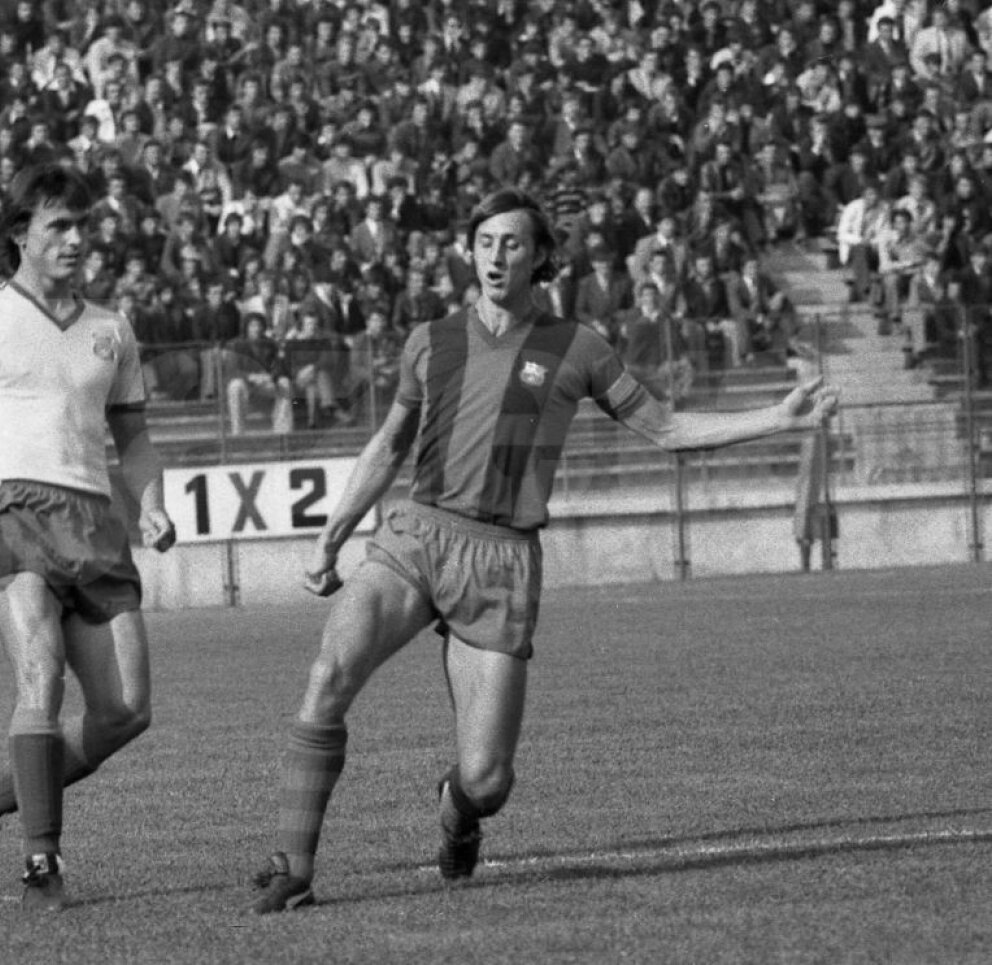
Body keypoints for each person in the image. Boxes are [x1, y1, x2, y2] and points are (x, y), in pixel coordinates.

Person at [247, 188, 838, 914]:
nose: (497, 256)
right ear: (470, 252)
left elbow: (666, 427)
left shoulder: (578, 347)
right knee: (328, 671)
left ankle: (457, 809)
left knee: (489, 778)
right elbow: (388, 445)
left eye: (513, 244)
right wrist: (334, 533)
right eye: (486, 242)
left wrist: (775, 419)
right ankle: (291, 866)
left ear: (539, 258)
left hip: (502, 563)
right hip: (417, 537)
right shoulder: (429, 341)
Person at [0, 164, 176, 912]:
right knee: (43, 676)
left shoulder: (109, 329)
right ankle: (40, 863)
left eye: (81, 226)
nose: (76, 238)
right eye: (59, 225)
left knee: (125, 712)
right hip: (15, 508)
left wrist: (150, 502)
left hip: (95, 520)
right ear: (19, 235)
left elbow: (136, 438)